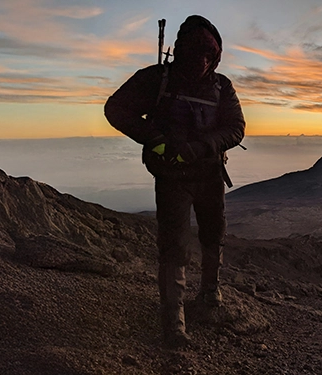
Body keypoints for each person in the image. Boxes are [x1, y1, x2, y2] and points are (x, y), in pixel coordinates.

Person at [104, 15, 245, 348]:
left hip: (209, 174)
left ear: (216, 55)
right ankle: (174, 324)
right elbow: (116, 109)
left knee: (213, 234)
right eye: (195, 52)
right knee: (175, 246)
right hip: (173, 178)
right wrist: (157, 140)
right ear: (179, 50)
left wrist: (202, 146)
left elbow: (236, 127)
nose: (201, 61)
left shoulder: (220, 86)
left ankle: (209, 297)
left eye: (208, 55)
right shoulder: (158, 79)